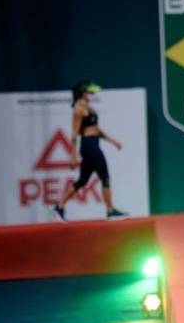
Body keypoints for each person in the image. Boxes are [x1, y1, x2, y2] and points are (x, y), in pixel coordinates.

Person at [51, 81, 128, 221]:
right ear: (82, 93)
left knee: (82, 181)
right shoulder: (78, 109)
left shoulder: (88, 107)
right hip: (89, 147)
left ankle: (59, 206)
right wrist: (72, 156)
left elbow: (96, 130)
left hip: (93, 144)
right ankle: (110, 211)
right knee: (105, 177)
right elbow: (74, 134)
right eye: (89, 92)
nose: (91, 94)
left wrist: (113, 142)